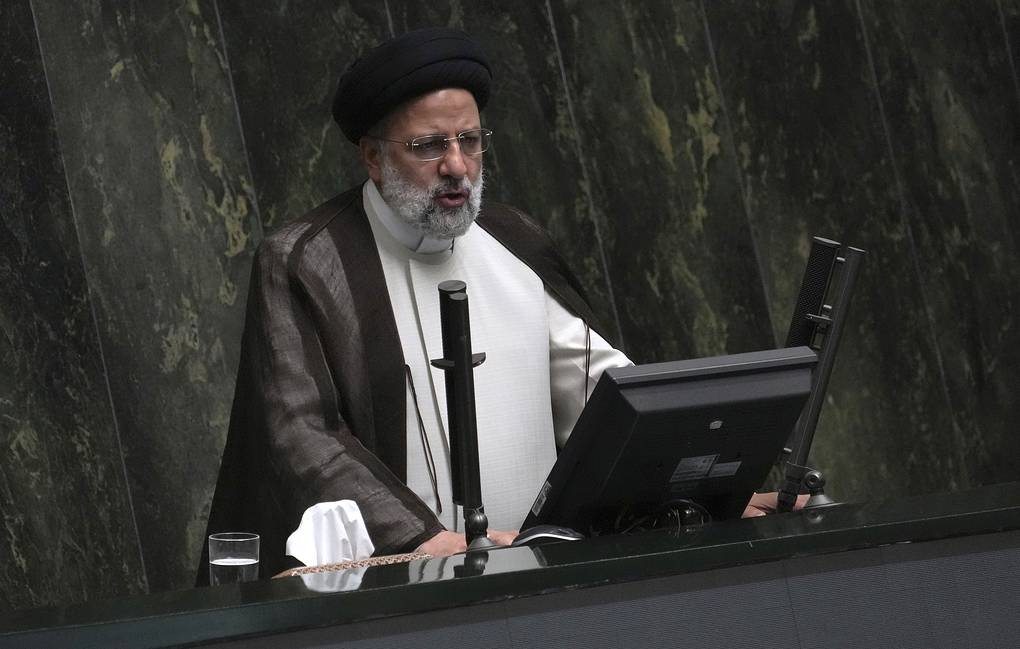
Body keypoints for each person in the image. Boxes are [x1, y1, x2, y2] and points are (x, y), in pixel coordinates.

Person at [199, 27, 796, 584]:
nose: (456, 166)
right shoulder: (308, 261)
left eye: (470, 140)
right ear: (373, 158)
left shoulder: (513, 239)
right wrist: (426, 538)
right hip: (396, 595)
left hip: (538, 582)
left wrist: (705, 485)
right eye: (429, 145)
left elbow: (604, 391)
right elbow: (301, 435)